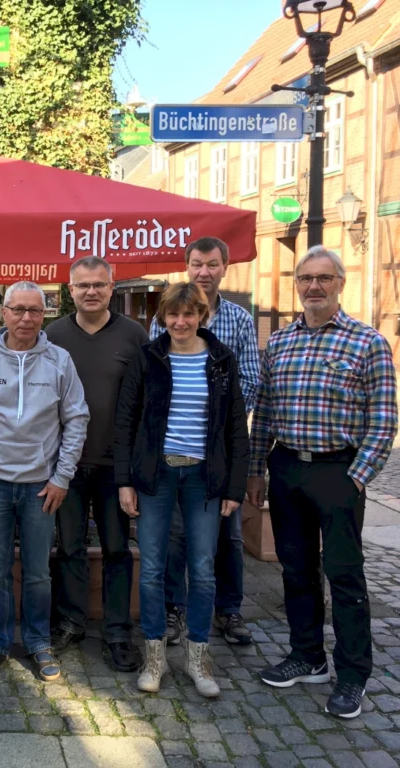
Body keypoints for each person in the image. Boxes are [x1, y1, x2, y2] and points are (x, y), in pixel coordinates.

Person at [248, 246, 397, 720]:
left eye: (324, 278)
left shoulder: (367, 342)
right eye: (305, 278)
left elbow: (384, 420)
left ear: (340, 283)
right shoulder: (280, 343)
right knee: (296, 571)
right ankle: (307, 656)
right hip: (288, 467)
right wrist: (257, 470)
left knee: (345, 576)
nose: (314, 287)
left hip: (339, 471)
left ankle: (353, 676)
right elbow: (265, 414)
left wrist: (356, 478)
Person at [116, 282, 249, 698]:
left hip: (204, 478)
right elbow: (126, 423)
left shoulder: (221, 361)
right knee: (153, 568)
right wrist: (125, 481)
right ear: (163, 317)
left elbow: (235, 429)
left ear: (202, 317)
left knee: (204, 568)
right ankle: (155, 656)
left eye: (189, 314)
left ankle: (198, 658)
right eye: (173, 314)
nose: (180, 321)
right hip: (157, 475)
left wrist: (235, 487)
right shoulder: (148, 358)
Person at [0, 281, 89, 682]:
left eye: (34, 310)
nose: (26, 318)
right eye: (18, 309)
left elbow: (76, 419)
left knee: (37, 572)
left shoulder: (60, 361)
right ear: (3, 313)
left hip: (41, 487)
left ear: (44, 313)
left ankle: (37, 641)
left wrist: (62, 477)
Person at [151, 236, 260, 648]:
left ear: (225, 268)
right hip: (175, 447)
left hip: (222, 448)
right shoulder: (164, 317)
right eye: (197, 264)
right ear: (187, 267)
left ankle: (228, 610)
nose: (204, 272)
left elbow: (251, 378)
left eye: (212, 264)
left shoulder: (239, 320)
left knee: (227, 535)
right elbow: (156, 376)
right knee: (177, 533)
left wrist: (220, 418)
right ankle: (174, 609)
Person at [47, 256, 149, 671]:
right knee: (68, 547)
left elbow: (146, 401)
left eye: (99, 285)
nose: (91, 291)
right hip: (65, 465)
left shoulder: (134, 335)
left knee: (116, 550)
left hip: (115, 466)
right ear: (70, 290)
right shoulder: (53, 335)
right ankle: (71, 622)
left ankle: (118, 631)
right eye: (83, 285)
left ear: (112, 288)